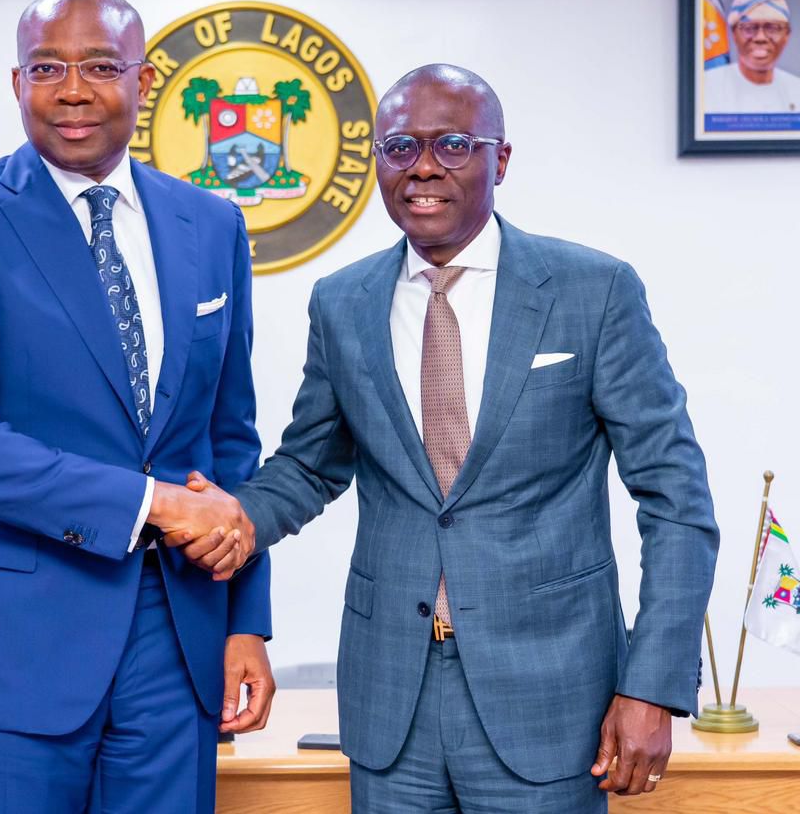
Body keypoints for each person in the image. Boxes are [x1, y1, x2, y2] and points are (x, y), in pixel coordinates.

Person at [177, 64, 720, 812]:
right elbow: (310, 465)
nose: (424, 166)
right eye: (401, 147)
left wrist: (653, 684)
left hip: (553, 699)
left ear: (500, 159)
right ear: (377, 163)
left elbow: (677, 497)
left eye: (454, 144)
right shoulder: (343, 302)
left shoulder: (593, 291)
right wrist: (233, 517)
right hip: (390, 702)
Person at [0, 0, 273, 814]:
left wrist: (247, 621)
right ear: (17, 81)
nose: (73, 89)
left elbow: (229, 443)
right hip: (7, 644)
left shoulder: (211, 225)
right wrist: (154, 501)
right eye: (47, 67)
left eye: (100, 65)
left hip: (178, 642)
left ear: (144, 79)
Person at [705, 0, 800, 113]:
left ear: (787, 35)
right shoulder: (706, 88)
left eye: (772, 28)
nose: (760, 38)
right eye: (749, 28)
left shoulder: (796, 90)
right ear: (733, 34)